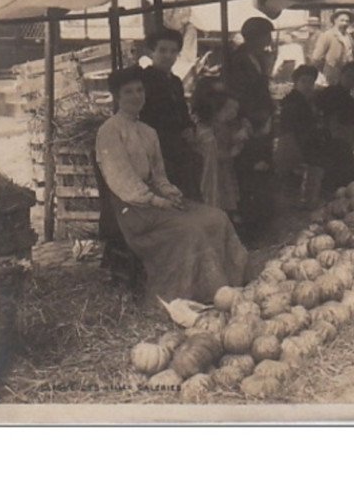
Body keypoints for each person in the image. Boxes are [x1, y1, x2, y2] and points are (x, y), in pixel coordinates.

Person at [95, 67, 248, 304]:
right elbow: (121, 179)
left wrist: (169, 192)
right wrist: (155, 200)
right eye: (128, 92)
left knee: (216, 217)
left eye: (139, 90)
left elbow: (158, 175)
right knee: (190, 230)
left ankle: (227, 286)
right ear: (117, 96)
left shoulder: (148, 131)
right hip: (132, 209)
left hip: (155, 199)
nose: (136, 96)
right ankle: (186, 295)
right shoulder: (110, 131)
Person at [222, 17, 276, 232]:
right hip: (248, 121)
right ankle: (250, 221)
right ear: (254, 37)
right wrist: (254, 119)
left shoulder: (258, 57)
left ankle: (261, 217)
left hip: (261, 119)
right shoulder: (238, 60)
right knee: (249, 170)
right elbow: (240, 95)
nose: (269, 40)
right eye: (265, 35)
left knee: (262, 168)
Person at [138, 27, 202, 199]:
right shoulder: (143, 81)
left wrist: (188, 127)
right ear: (151, 52)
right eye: (162, 50)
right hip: (155, 145)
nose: (168, 56)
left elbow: (182, 111)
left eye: (173, 51)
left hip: (177, 144)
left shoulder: (175, 82)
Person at [192, 82, 250, 218]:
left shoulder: (223, 126)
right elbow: (214, 154)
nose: (233, 114)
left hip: (221, 170)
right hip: (212, 170)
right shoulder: (207, 132)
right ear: (216, 109)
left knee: (224, 198)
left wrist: (239, 137)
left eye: (235, 110)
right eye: (229, 110)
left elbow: (228, 142)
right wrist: (233, 151)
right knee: (213, 196)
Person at [275, 65, 327, 209]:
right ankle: (307, 201)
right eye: (303, 81)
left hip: (301, 142)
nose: (307, 86)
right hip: (293, 144)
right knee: (312, 167)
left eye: (310, 82)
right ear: (296, 83)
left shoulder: (305, 101)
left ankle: (304, 200)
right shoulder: (293, 102)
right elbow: (299, 129)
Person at [316, 61, 354, 188]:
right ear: (341, 75)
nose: (350, 81)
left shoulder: (351, 101)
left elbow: (351, 125)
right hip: (327, 139)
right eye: (348, 76)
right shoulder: (328, 92)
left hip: (343, 140)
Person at [312, 9, 354, 85]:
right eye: (342, 20)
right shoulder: (327, 35)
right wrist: (322, 73)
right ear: (335, 20)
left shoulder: (349, 37)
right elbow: (316, 57)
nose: (345, 23)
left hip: (346, 72)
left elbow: (352, 54)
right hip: (332, 72)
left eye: (347, 21)